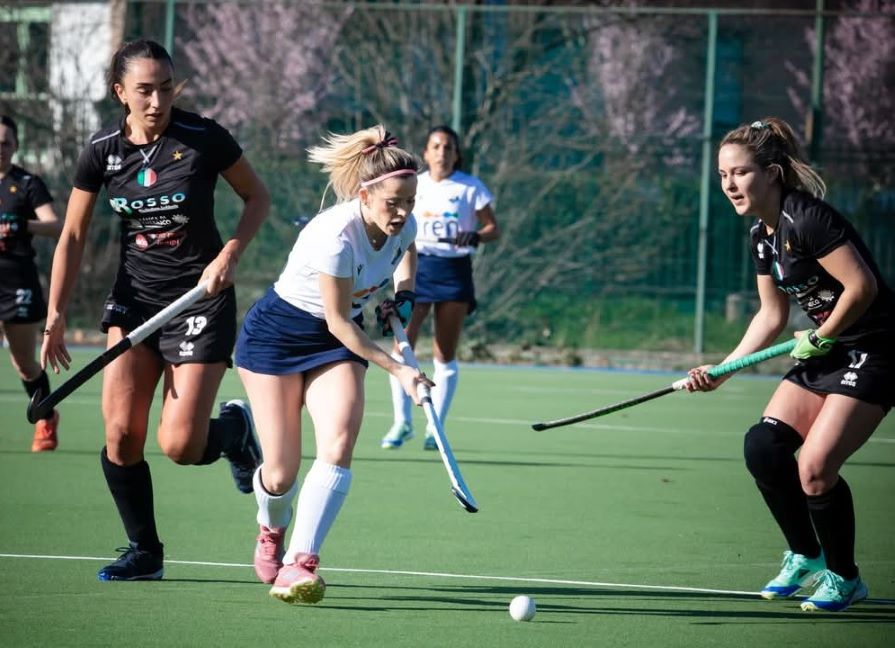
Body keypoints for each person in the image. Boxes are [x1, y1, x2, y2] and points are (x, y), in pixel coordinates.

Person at [40, 39, 270, 582]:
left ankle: (233, 432)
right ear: (120, 92)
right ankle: (145, 551)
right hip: (135, 302)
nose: (157, 101)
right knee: (121, 435)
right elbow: (72, 235)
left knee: (180, 446)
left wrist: (230, 253)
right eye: (144, 90)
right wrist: (55, 314)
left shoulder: (202, 137)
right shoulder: (101, 150)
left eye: (166, 88)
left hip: (199, 300)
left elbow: (257, 198)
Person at [686, 117, 894, 613]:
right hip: (830, 348)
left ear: (772, 173)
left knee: (816, 469)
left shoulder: (808, 218)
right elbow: (771, 315)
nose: (729, 184)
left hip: (876, 349)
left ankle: (845, 577)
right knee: (763, 447)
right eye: (722, 175)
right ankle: (806, 553)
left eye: (740, 173)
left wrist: (822, 334)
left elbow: (862, 287)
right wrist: (724, 370)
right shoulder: (762, 234)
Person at [234, 125, 432, 605]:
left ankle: (300, 563)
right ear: (365, 196)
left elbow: (408, 250)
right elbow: (340, 322)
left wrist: (404, 297)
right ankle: (270, 527)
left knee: (340, 440)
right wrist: (400, 370)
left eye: (410, 201)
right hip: (278, 338)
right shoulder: (336, 237)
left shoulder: (403, 223)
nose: (402, 212)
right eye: (393, 203)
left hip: (335, 344)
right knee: (280, 475)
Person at [380, 125, 499, 450]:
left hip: (454, 272)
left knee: (444, 354)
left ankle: (435, 428)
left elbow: (493, 228)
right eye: (435, 146)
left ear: (456, 154)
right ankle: (402, 422)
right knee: (402, 345)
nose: (442, 152)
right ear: (426, 152)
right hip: (417, 268)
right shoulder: (414, 184)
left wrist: (476, 235)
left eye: (448, 147)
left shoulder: (470, 187)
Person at [0, 115, 64, 451]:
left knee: (25, 364)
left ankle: (46, 417)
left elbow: (55, 226)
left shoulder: (27, 183)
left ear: (15, 146)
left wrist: (22, 224)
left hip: (17, 282)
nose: (0, 149)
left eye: (5, 143)